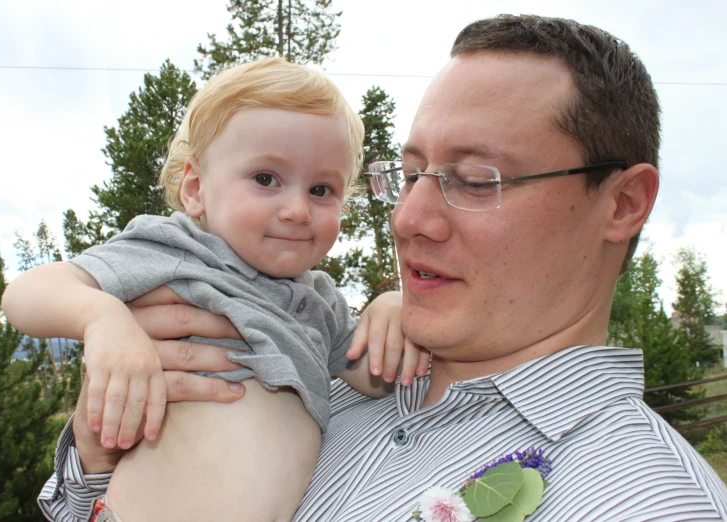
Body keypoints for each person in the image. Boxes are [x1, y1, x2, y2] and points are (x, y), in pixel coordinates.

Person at [37, 14, 727, 522]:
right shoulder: (314, 372)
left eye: (476, 178)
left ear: (622, 203)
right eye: (408, 175)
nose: (408, 220)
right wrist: (97, 459)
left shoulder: (645, 501)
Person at [4, 57, 430, 521]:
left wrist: (392, 309)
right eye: (266, 179)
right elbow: (26, 294)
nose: (297, 210)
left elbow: (378, 379)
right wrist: (104, 319)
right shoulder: (175, 252)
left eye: (322, 190)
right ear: (195, 189)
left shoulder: (317, 302)